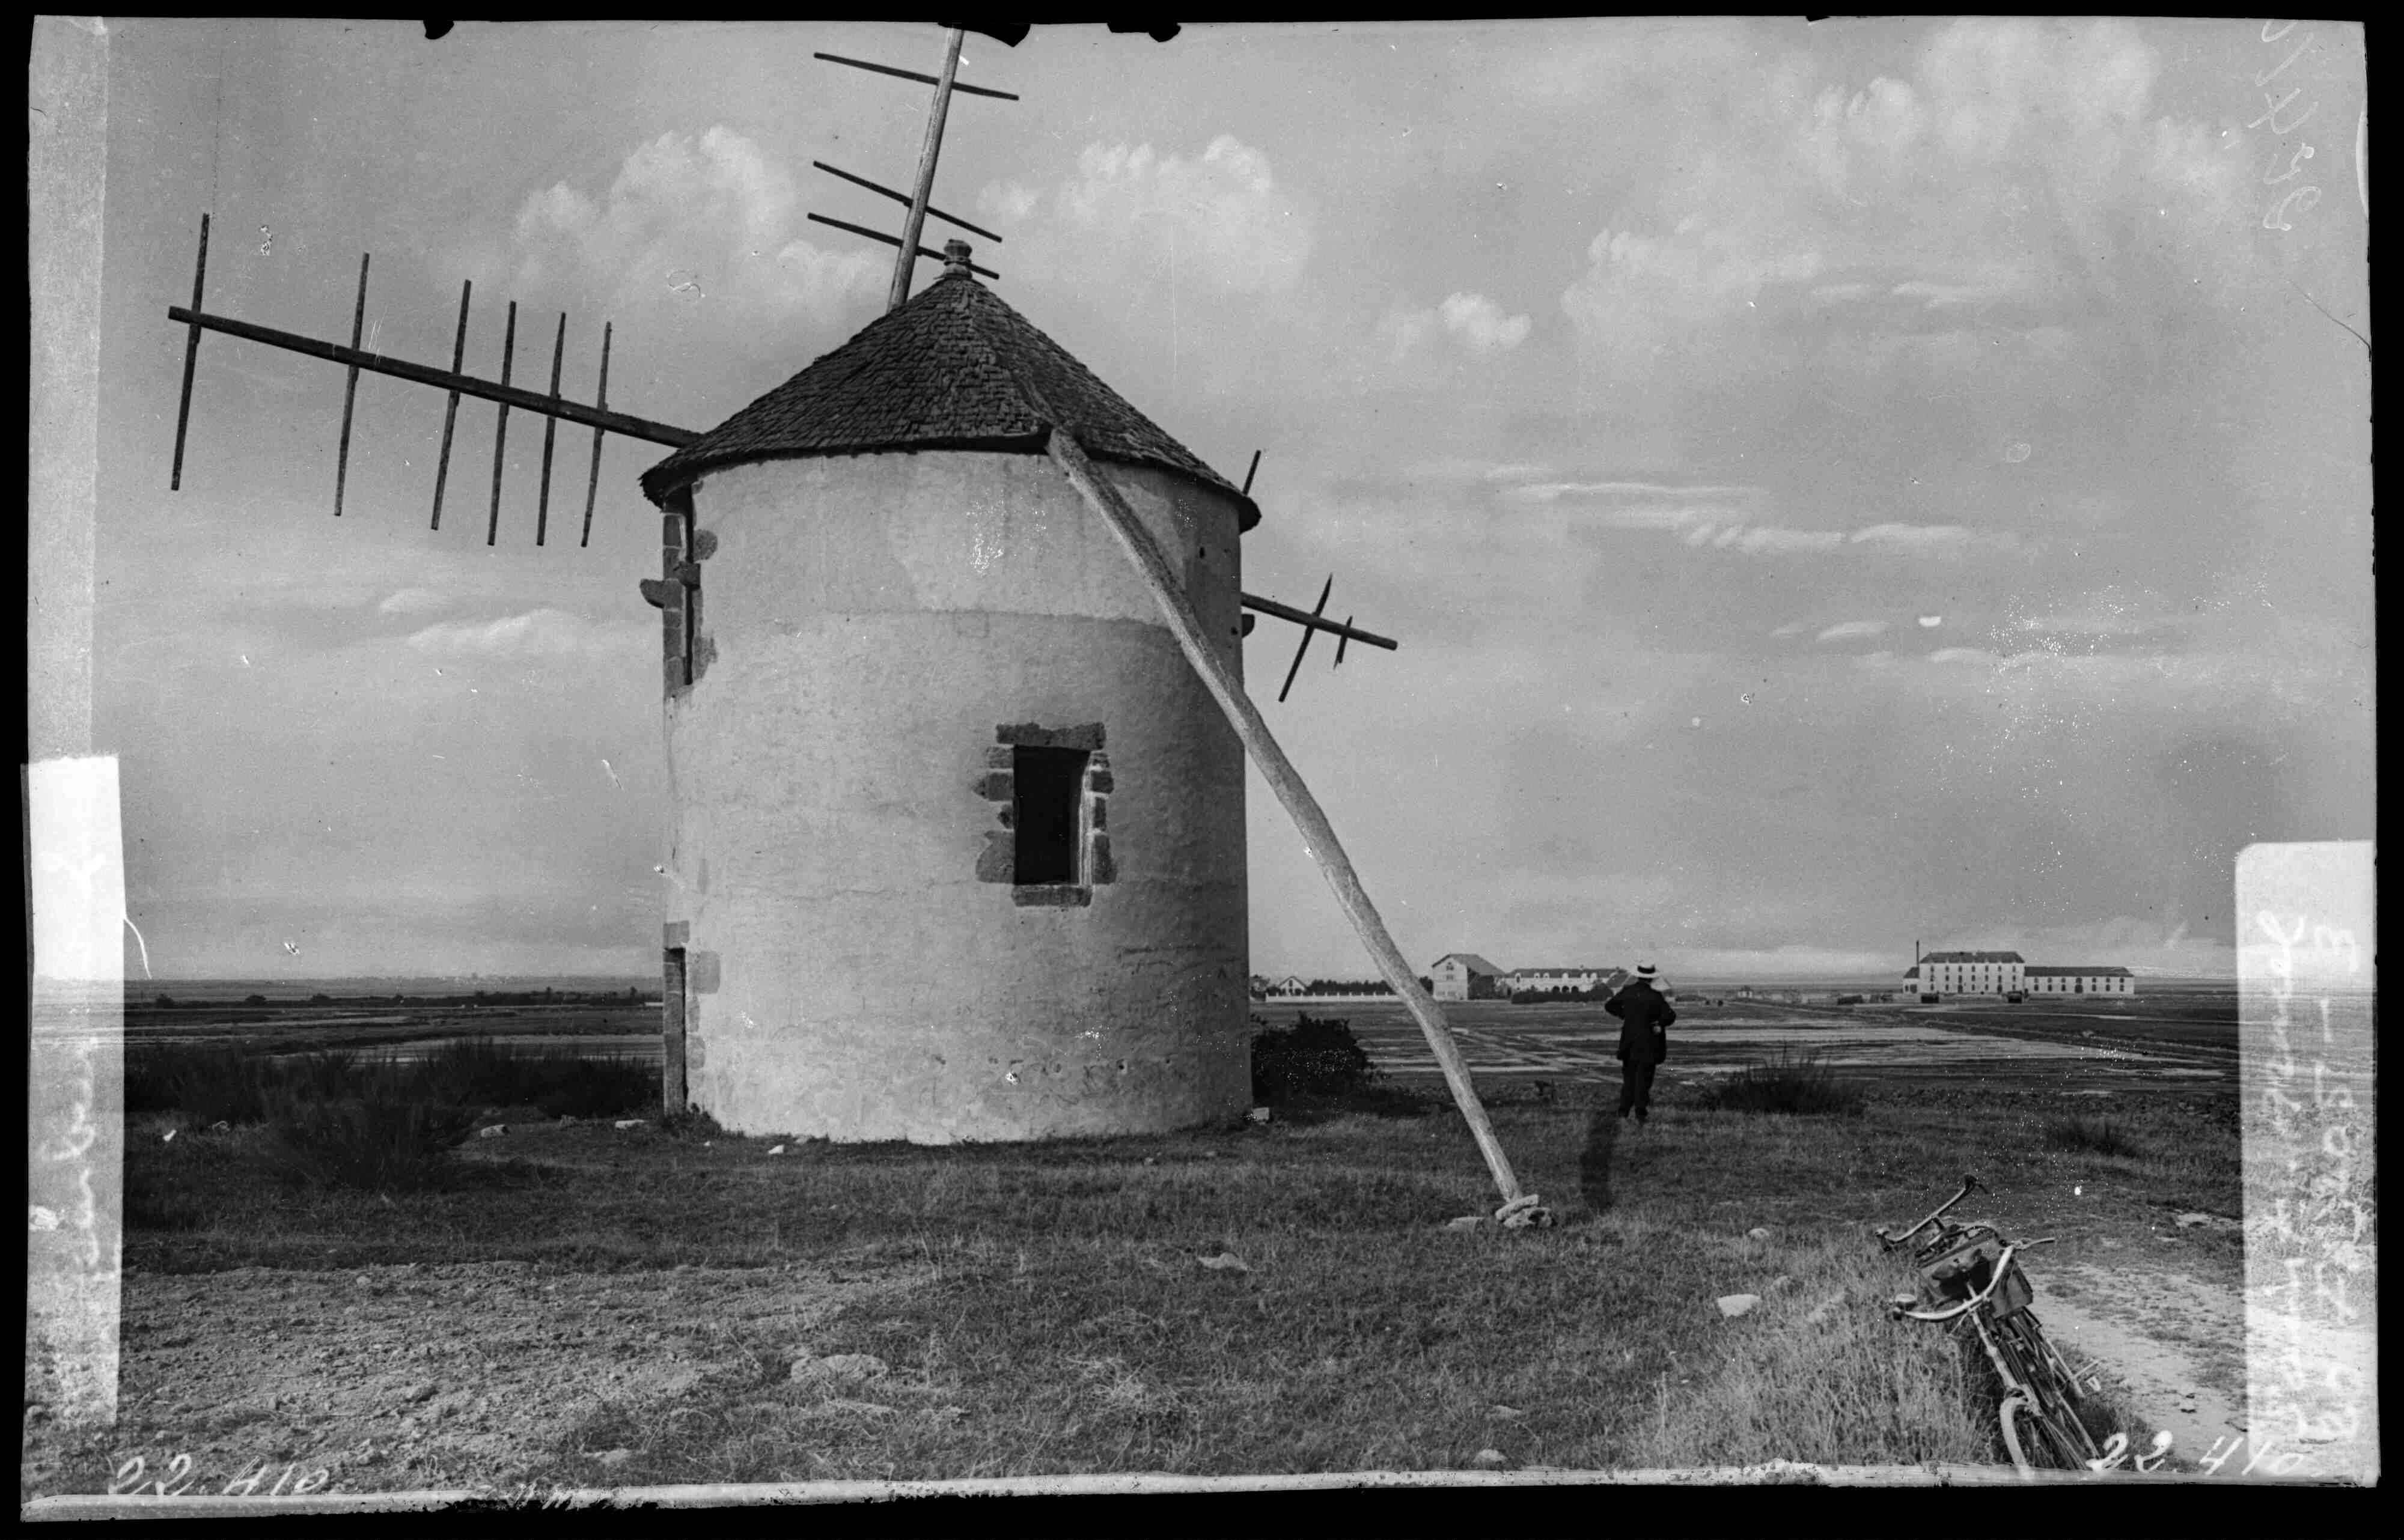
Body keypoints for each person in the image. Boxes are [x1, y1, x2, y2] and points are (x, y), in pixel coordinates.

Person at [1604, 963, 1676, 1122]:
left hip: (1628, 1043)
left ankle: (1623, 1112)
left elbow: (1609, 1006)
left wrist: (1625, 1016)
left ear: (1638, 976)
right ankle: (1640, 1115)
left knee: (1629, 1080)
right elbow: (1670, 1016)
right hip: (1649, 1044)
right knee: (1644, 1081)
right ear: (1651, 979)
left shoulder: (1627, 992)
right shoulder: (1655, 996)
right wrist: (1659, 1024)